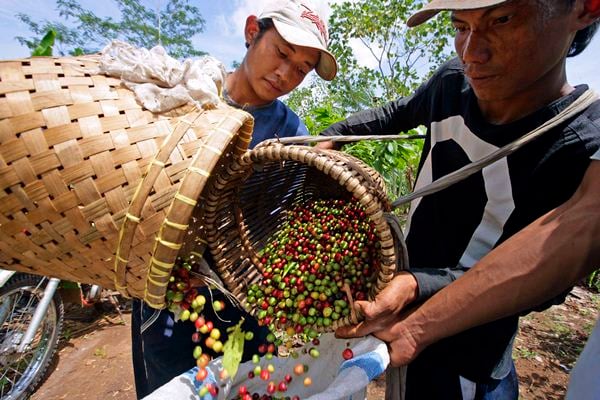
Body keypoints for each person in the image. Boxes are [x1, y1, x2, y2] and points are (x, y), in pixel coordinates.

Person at [319, 0, 600, 398]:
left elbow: (545, 275)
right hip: (397, 327)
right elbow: (399, 112)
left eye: (501, 20)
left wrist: (418, 286)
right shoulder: (453, 82)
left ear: (585, 9)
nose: (472, 53)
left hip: (470, 358)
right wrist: (335, 134)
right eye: (460, 26)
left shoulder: (579, 141)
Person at [131, 1, 337, 398]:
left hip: (242, 300)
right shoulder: (190, 96)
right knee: (172, 388)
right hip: (168, 299)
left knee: (248, 384)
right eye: (281, 53)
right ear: (250, 32)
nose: (284, 74)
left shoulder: (291, 133)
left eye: (301, 69)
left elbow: (281, 224)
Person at [339, 149, 600, 397]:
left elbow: (564, 255)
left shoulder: (579, 133)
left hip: (473, 353)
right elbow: (393, 113)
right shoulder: (447, 101)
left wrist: (416, 310)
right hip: (417, 333)